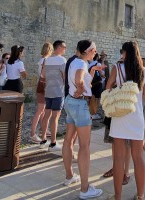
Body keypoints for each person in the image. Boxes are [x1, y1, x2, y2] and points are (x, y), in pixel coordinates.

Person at [62, 40, 103, 199]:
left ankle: (69, 176)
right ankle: (85, 189)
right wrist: (80, 88)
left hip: (70, 101)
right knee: (84, 146)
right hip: (79, 105)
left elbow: (83, 80)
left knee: (68, 140)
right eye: (94, 50)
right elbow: (80, 80)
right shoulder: (81, 64)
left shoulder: (75, 61)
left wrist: (91, 72)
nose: (95, 52)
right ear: (88, 51)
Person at [108, 41, 145, 200]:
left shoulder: (117, 68)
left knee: (118, 158)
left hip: (120, 116)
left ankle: (117, 196)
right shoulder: (144, 71)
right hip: (136, 116)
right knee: (138, 158)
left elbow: (108, 87)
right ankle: (140, 195)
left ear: (124, 52)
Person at [39, 40, 67, 150]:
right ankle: (53, 143)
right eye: (64, 47)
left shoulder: (47, 60)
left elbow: (43, 75)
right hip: (58, 92)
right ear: (59, 47)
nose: (65, 49)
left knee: (47, 116)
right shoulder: (62, 60)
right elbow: (65, 77)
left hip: (48, 91)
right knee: (55, 118)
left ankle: (43, 140)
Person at [30, 42, 53, 143]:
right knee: (40, 111)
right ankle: (32, 134)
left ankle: (43, 129)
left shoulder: (41, 60)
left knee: (42, 110)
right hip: (45, 87)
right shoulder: (46, 60)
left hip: (41, 85)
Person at [88, 53, 104, 120]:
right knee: (96, 99)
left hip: (92, 83)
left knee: (92, 98)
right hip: (97, 83)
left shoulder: (89, 65)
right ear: (97, 57)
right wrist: (103, 75)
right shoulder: (98, 64)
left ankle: (91, 113)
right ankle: (95, 113)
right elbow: (101, 74)